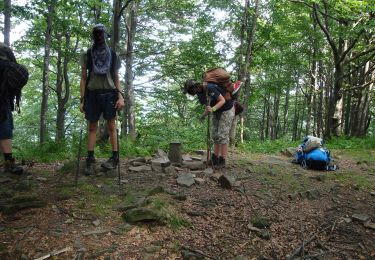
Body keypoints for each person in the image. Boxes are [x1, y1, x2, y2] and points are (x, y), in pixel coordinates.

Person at [79, 24, 125, 175]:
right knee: (92, 128)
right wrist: (82, 99)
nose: (99, 36)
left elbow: (117, 77)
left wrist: (120, 97)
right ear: (93, 36)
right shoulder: (87, 55)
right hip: (92, 94)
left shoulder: (113, 55)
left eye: (101, 34)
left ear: (105, 35)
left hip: (110, 94)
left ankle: (115, 157)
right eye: (96, 34)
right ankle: (90, 159)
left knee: (111, 127)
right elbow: (83, 78)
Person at [183, 73, 239, 168]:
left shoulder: (210, 87)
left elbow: (222, 101)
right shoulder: (200, 94)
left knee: (222, 135)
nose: (191, 94)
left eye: (190, 91)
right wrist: (203, 116)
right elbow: (207, 107)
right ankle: (215, 158)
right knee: (214, 135)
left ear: (194, 88)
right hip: (216, 111)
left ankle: (223, 160)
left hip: (226, 110)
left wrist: (212, 109)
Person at [0, 42, 28, 174]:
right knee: (5, 130)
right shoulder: (9, 66)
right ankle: (9, 163)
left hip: (3, 102)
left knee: (6, 130)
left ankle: (8, 163)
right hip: (2, 103)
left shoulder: (6, 67)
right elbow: (22, 73)